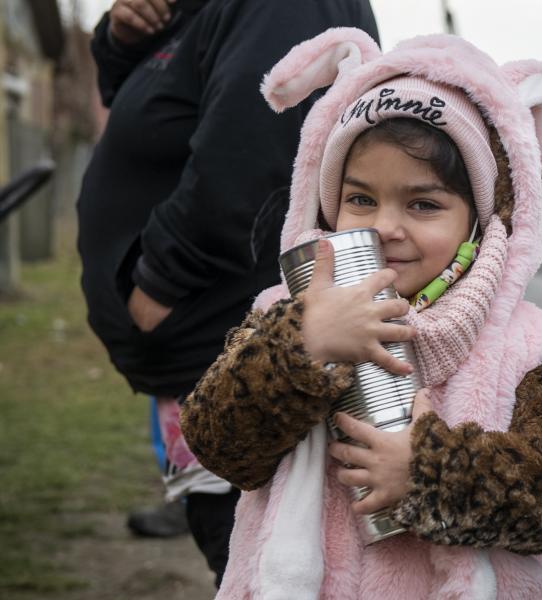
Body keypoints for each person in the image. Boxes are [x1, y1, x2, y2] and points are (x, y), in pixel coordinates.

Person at [179, 29, 542, 598]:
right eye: (360, 199)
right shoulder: (284, 313)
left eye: (423, 204)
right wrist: (303, 347)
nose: (385, 227)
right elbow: (218, 445)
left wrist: (432, 472)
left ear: (477, 221)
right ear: (328, 204)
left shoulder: (521, 344)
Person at [76, 0, 377, 584]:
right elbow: (141, 107)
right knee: (239, 564)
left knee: (268, 572)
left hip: (233, 345)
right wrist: (119, 40)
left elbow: (251, 157)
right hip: (203, 353)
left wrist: (157, 286)